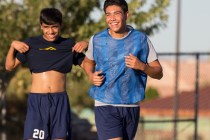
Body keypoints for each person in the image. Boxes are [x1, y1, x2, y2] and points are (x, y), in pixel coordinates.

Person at [83, 0, 163, 140]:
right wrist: (91, 75)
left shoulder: (141, 39)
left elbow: (158, 73)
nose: (112, 18)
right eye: (108, 14)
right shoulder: (97, 39)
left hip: (131, 105)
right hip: (105, 103)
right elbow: (88, 61)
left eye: (116, 13)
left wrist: (143, 66)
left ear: (126, 15)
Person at [5, 8, 88, 140]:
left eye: (54, 27)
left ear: (60, 25)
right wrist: (12, 46)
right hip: (37, 101)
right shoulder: (31, 43)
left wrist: (88, 44)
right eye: (46, 27)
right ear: (41, 26)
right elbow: (9, 66)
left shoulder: (68, 45)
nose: (50, 31)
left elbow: (88, 65)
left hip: (60, 101)